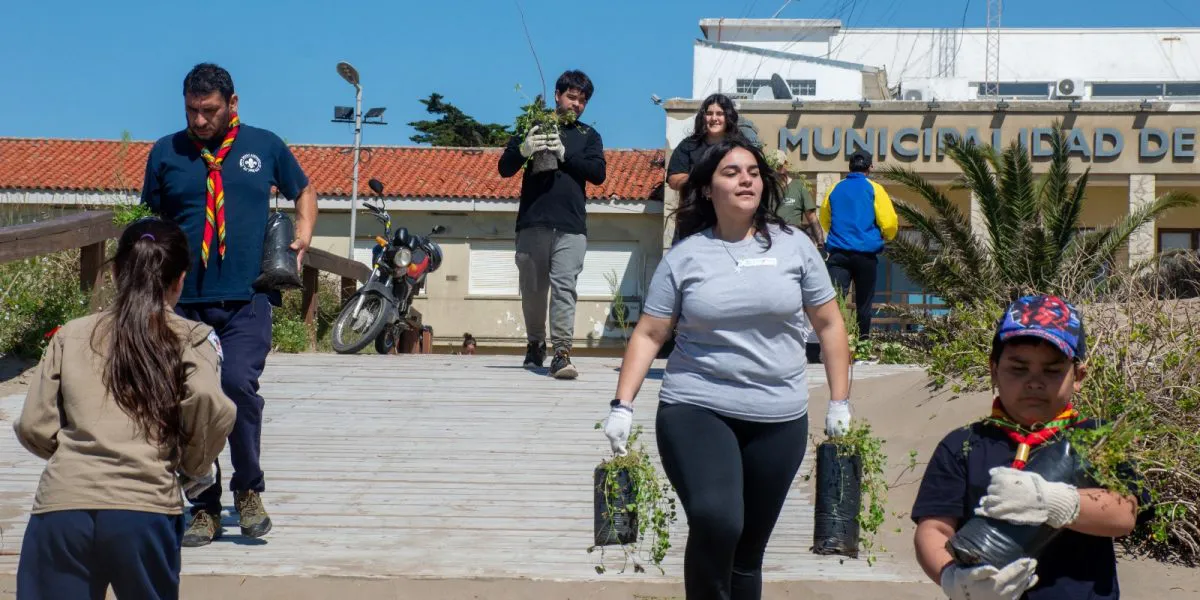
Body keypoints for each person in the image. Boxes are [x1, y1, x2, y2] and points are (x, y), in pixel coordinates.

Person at [601, 138, 853, 600]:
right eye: (732, 172)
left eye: (753, 172)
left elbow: (830, 324)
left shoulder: (795, 247)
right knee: (718, 518)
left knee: (747, 551)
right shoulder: (686, 256)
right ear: (707, 188)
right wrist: (622, 405)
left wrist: (840, 401)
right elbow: (650, 334)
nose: (746, 180)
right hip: (697, 407)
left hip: (779, 418)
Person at [141, 62, 318, 547]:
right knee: (191, 399)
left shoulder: (265, 145)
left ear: (232, 103)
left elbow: (304, 190)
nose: (200, 121)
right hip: (184, 303)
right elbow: (149, 221)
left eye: (210, 111)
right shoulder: (166, 153)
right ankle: (204, 503)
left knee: (238, 387)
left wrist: (303, 233)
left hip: (248, 297)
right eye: (192, 111)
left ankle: (248, 489)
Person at [14, 218, 237, 600]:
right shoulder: (192, 338)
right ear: (180, 280)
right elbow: (209, 402)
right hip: (145, 506)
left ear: (116, 273)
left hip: (63, 506)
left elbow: (34, 424)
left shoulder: (72, 334)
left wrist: (78, 457)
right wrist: (194, 465)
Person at [912, 295, 1142, 600]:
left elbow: (1124, 514)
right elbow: (934, 529)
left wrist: (1056, 502)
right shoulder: (962, 445)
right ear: (994, 370)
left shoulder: (1099, 438)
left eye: (1052, 370)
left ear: (1078, 376)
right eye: (1018, 369)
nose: (1034, 382)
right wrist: (952, 578)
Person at [498, 70, 606, 379]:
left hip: (571, 225)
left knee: (564, 288)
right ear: (557, 95)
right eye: (572, 97)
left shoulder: (589, 136)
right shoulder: (531, 125)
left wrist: (564, 153)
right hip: (533, 222)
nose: (576, 105)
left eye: (582, 101)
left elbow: (598, 174)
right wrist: (524, 149)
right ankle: (535, 343)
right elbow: (505, 168)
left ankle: (561, 353)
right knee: (533, 290)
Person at [819, 149, 897, 340]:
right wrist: (887, 235)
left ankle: (834, 343)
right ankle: (862, 345)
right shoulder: (875, 189)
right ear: (870, 167)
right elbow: (889, 222)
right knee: (864, 304)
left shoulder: (835, 188)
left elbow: (824, 218)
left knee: (835, 302)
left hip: (839, 254)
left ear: (850, 166)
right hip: (865, 255)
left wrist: (839, 233)